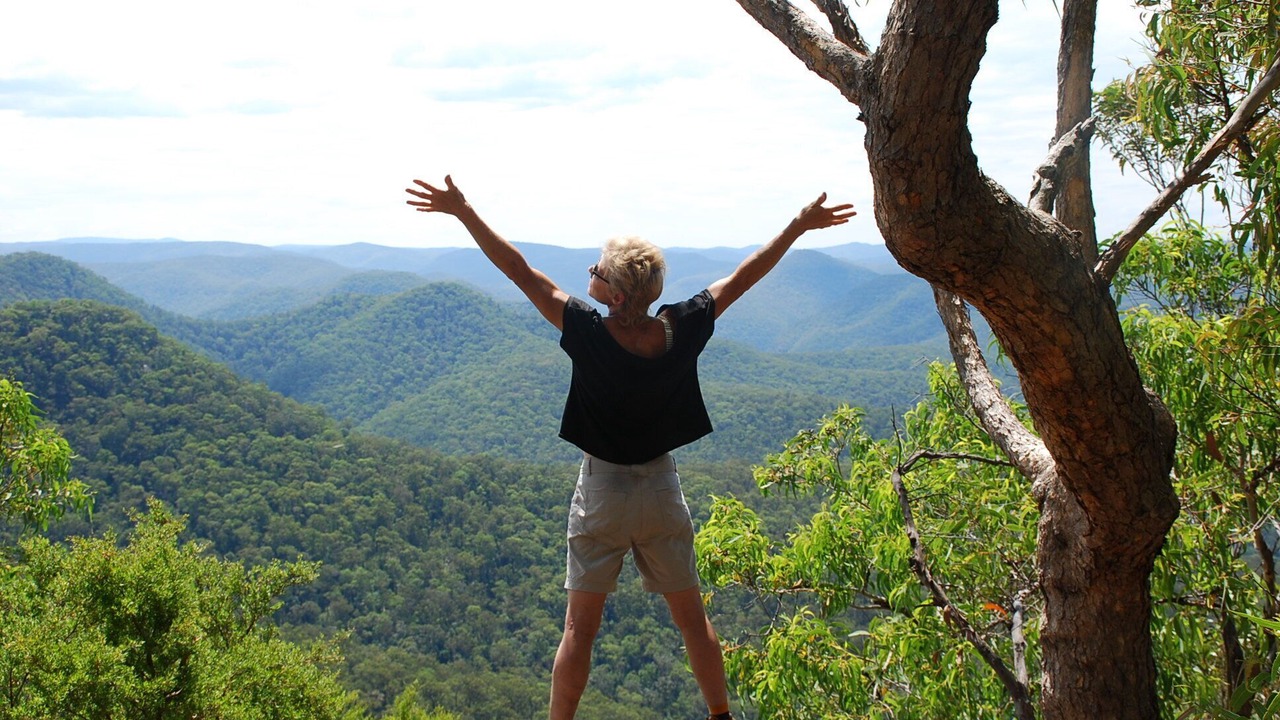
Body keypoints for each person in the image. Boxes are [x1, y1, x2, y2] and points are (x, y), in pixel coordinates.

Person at [405, 175, 855, 720]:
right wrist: (799, 225)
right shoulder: (682, 328)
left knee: (579, 629)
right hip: (661, 489)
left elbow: (518, 270)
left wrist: (463, 211)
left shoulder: (587, 331)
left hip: (601, 491)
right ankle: (720, 714)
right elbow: (745, 276)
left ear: (616, 296)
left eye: (597, 270)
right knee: (692, 620)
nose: (589, 273)